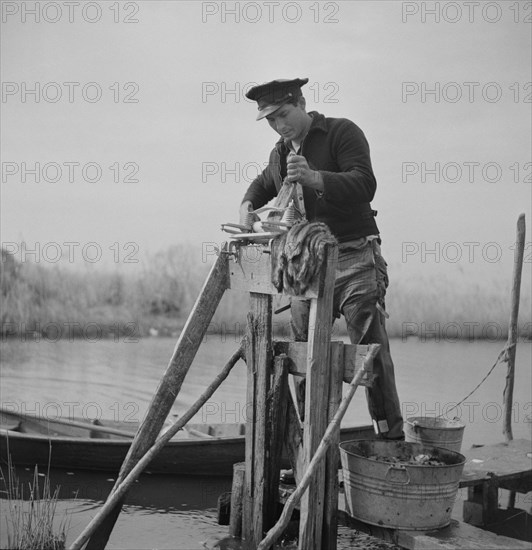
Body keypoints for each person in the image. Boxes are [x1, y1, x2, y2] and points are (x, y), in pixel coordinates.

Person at [239, 78, 403, 440]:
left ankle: (389, 436)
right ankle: (310, 441)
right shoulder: (280, 153)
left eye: (283, 114)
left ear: (301, 102)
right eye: (270, 120)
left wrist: (315, 178)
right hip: (307, 268)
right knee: (303, 354)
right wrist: (248, 203)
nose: (280, 125)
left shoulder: (342, 132)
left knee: (370, 353)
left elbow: (364, 183)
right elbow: (265, 181)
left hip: (356, 256)